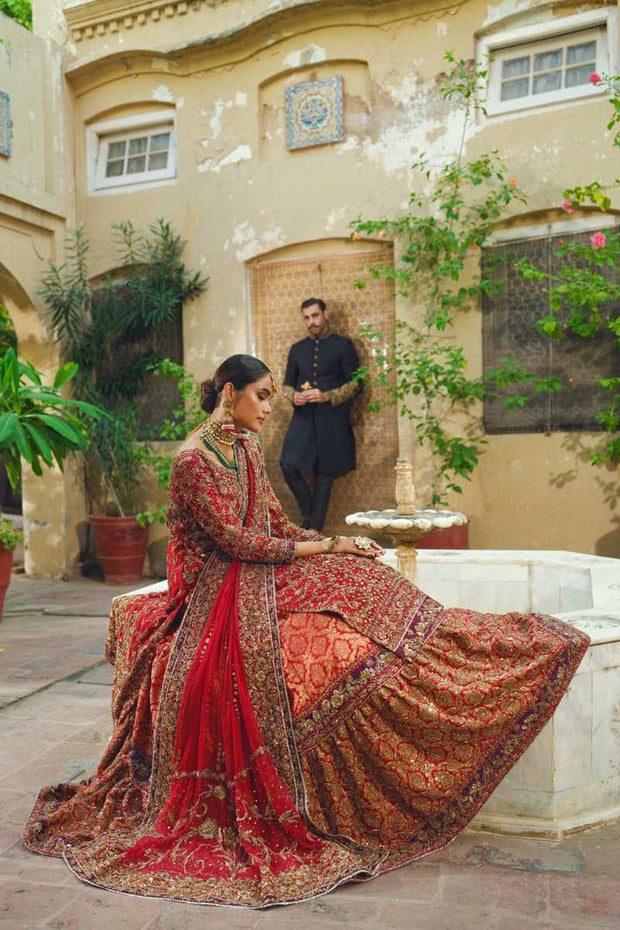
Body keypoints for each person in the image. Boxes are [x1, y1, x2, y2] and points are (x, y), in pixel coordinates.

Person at [24, 353, 589, 909]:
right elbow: (235, 541)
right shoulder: (193, 460)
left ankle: (462, 649)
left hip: (252, 566)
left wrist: (333, 545)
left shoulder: (243, 446)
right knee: (334, 585)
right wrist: (326, 545)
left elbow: (272, 522)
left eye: (272, 396)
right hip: (212, 583)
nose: (271, 407)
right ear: (229, 393)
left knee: (359, 577)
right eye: (262, 396)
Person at [280, 297, 360, 530]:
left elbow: (357, 383)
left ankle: (313, 531)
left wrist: (327, 395)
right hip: (304, 416)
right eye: (306, 317)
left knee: (325, 475)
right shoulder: (297, 349)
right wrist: (292, 396)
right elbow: (286, 385)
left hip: (332, 418)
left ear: (325, 315)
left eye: (315, 315)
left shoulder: (343, 345)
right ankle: (309, 514)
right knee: (287, 464)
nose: (311, 322)